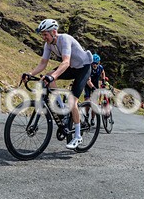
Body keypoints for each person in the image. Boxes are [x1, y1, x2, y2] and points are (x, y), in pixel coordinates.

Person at [22, 18, 93, 150]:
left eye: (45, 34)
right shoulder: (48, 44)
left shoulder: (64, 39)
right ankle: (62, 109)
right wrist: (30, 74)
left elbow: (65, 62)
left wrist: (53, 76)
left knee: (72, 101)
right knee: (48, 75)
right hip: (72, 67)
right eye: (42, 35)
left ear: (54, 32)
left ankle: (78, 136)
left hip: (83, 68)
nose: (44, 37)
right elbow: (43, 64)